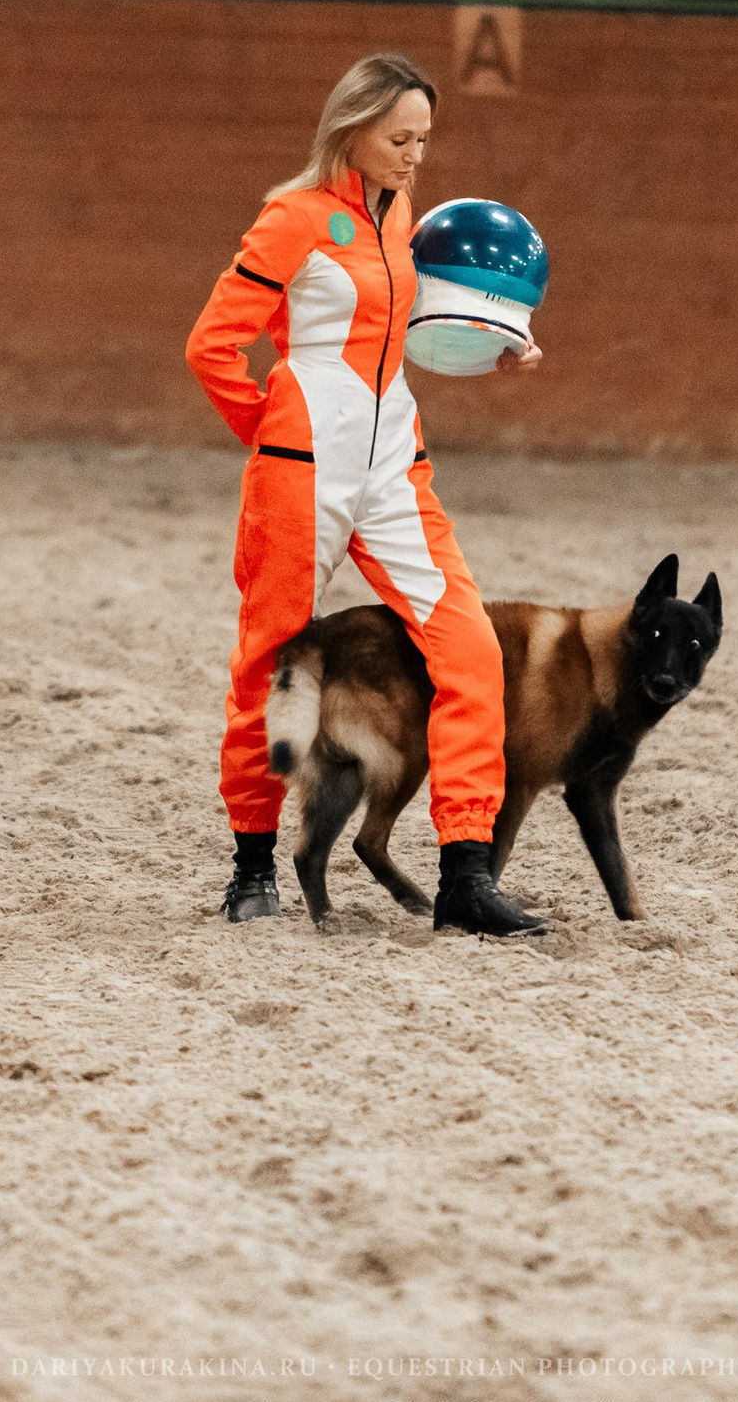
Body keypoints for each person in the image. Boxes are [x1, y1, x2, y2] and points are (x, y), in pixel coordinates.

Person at [185, 53, 547, 936]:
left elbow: (400, 337)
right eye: (399, 138)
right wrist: (276, 434)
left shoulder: (400, 221)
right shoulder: (292, 219)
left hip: (394, 469)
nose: (415, 154)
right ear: (351, 129)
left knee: (470, 650)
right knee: (272, 665)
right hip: (303, 475)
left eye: (424, 138)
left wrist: (492, 346)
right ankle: (252, 864)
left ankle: (465, 869)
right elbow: (211, 346)